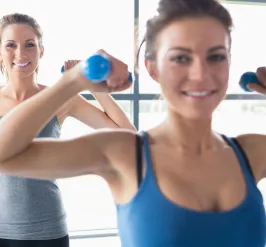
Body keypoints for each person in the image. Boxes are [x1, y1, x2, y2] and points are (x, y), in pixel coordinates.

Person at [0, 0, 266, 246]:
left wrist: (83, 88)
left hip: (46, 230)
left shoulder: (252, 152)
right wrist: (72, 82)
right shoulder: (125, 153)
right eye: (180, 58)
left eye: (216, 56)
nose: (200, 73)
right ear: (152, 68)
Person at [0, 12, 135, 247]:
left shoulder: (61, 99)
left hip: (46, 232)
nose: (20, 53)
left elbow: (129, 137)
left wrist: (92, 86)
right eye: (11, 45)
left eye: (29, 44)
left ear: (41, 52)